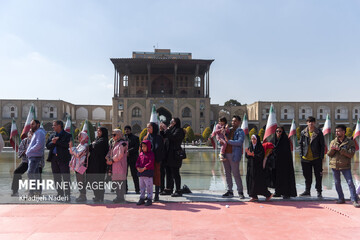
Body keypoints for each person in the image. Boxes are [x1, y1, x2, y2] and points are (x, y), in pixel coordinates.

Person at [327, 125, 360, 208]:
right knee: (337, 183)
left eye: (338, 131)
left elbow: (351, 155)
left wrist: (340, 150)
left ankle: (354, 200)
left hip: (345, 166)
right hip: (334, 165)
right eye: (336, 131)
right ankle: (341, 198)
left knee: (350, 183)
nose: (337, 133)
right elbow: (329, 154)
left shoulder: (350, 142)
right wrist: (332, 149)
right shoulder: (333, 142)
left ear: (343, 132)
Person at [299, 116, 325, 198]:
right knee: (307, 176)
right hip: (305, 159)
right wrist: (301, 155)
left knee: (318, 176)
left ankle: (319, 191)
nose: (311, 123)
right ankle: (307, 191)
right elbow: (300, 144)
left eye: (312, 122)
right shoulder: (303, 132)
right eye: (309, 122)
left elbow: (322, 145)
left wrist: (321, 157)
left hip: (316, 158)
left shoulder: (318, 132)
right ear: (307, 123)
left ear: (315, 122)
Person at [46, 120, 72, 201]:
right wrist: (53, 142)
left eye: (54, 125)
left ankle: (67, 195)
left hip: (63, 159)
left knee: (66, 177)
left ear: (59, 126)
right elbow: (48, 146)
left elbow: (67, 145)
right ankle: (60, 193)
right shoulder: (52, 135)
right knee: (57, 178)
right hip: (54, 159)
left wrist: (57, 142)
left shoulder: (67, 135)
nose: (53, 127)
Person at [160, 118, 185, 197]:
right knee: (168, 172)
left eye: (172, 121)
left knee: (175, 173)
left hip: (175, 155)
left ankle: (178, 190)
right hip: (168, 154)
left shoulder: (179, 130)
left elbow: (173, 138)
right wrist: (162, 130)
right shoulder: (171, 129)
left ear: (176, 122)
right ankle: (169, 189)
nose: (171, 122)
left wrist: (166, 129)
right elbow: (164, 136)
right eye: (170, 121)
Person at [222, 115, 245, 199]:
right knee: (227, 174)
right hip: (225, 154)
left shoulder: (240, 131)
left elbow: (239, 142)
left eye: (235, 121)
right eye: (232, 121)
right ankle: (230, 191)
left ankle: (240, 191)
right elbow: (222, 139)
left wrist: (229, 142)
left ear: (239, 122)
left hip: (234, 155)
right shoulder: (228, 130)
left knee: (236, 174)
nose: (233, 122)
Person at [271, 126, 297, 199]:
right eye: (277, 131)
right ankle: (278, 192)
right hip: (276, 163)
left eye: (280, 131)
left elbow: (286, 152)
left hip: (284, 164)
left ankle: (286, 193)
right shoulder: (273, 140)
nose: (278, 133)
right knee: (276, 178)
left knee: (285, 178)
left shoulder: (285, 140)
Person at [245, 135, 273, 202]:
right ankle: (254, 196)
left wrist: (253, 155)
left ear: (257, 140)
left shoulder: (260, 147)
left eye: (254, 139)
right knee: (251, 182)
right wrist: (248, 154)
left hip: (258, 169)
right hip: (251, 168)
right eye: (252, 139)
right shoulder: (250, 147)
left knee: (259, 183)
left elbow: (261, 156)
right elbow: (247, 156)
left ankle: (268, 195)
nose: (253, 140)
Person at [87, 127, 109, 202]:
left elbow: (95, 146)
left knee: (99, 180)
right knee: (93, 180)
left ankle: (100, 196)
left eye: (99, 131)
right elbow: (90, 147)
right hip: (93, 163)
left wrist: (93, 144)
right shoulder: (97, 139)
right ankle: (96, 195)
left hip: (100, 164)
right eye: (98, 131)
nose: (98, 132)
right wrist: (93, 144)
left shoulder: (104, 140)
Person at [106, 129, 128, 203]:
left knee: (120, 182)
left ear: (119, 135)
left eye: (114, 135)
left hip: (120, 165)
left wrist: (111, 160)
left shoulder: (123, 143)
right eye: (112, 135)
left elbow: (120, 155)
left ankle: (120, 197)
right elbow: (110, 151)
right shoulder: (114, 143)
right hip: (114, 165)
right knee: (116, 181)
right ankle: (118, 196)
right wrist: (107, 157)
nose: (113, 136)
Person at [25, 120, 46, 197]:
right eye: (31, 124)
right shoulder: (37, 132)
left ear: (38, 124)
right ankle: (36, 192)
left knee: (30, 173)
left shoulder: (39, 132)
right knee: (36, 175)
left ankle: (32, 192)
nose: (31, 125)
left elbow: (39, 144)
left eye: (33, 124)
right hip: (34, 156)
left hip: (34, 156)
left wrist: (29, 151)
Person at [145, 122, 164, 201]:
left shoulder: (158, 138)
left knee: (156, 177)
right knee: (148, 178)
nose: (148, 129)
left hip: (155, 161)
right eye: (147, 127)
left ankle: (156, 195)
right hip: (148, 160)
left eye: (149, 127)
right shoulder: (148, 136)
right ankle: (149, 194)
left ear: (154, 128)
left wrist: (150, 152)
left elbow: (157, 148)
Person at [11, 130, 33, 196]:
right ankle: (15, 191)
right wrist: (24, 152)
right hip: (25, 161)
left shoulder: (38, 140)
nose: (30, 134)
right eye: (30, 132)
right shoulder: (25, 141)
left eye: (32, 132)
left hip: (35, 162)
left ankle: (34, 192)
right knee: (16, 172)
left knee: (34, 175)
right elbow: (20, 150)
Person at [69, 131, 89, 202]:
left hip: (82, 166)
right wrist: (71, 148)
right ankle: (81, 195)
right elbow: (72, 152)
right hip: (78, 166)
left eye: (80, 137)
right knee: (79, 180)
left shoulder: (85, 145)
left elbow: (78, 154)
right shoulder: (80, 145)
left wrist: (72, 147)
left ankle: (83, 196)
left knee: (81, 180)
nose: (79, 138)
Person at [136, 140, 155, 206]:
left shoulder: (151, 154)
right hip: (141, 174)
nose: (143, 148)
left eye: (144, 146)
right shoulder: (141, 154)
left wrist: (144, 168)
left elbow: (150, 162)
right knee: (141, 187)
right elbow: (138, 161)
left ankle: (149, 199)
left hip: (148, 173)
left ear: (148, 147)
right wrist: (138, 167)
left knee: (149, 187)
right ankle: (142, 198)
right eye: (142, 146)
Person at [124, 125, 140, 194]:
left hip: (133, 158)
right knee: (125, 174)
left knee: (134, 174)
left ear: (130, 130)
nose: (127, 130)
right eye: (125, 129)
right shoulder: (123, 138)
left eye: (128, 129)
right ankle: (125, 189)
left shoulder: (135, 138)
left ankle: (137, 189)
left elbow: (136, 147)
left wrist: (129, 151)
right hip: (125, 159)